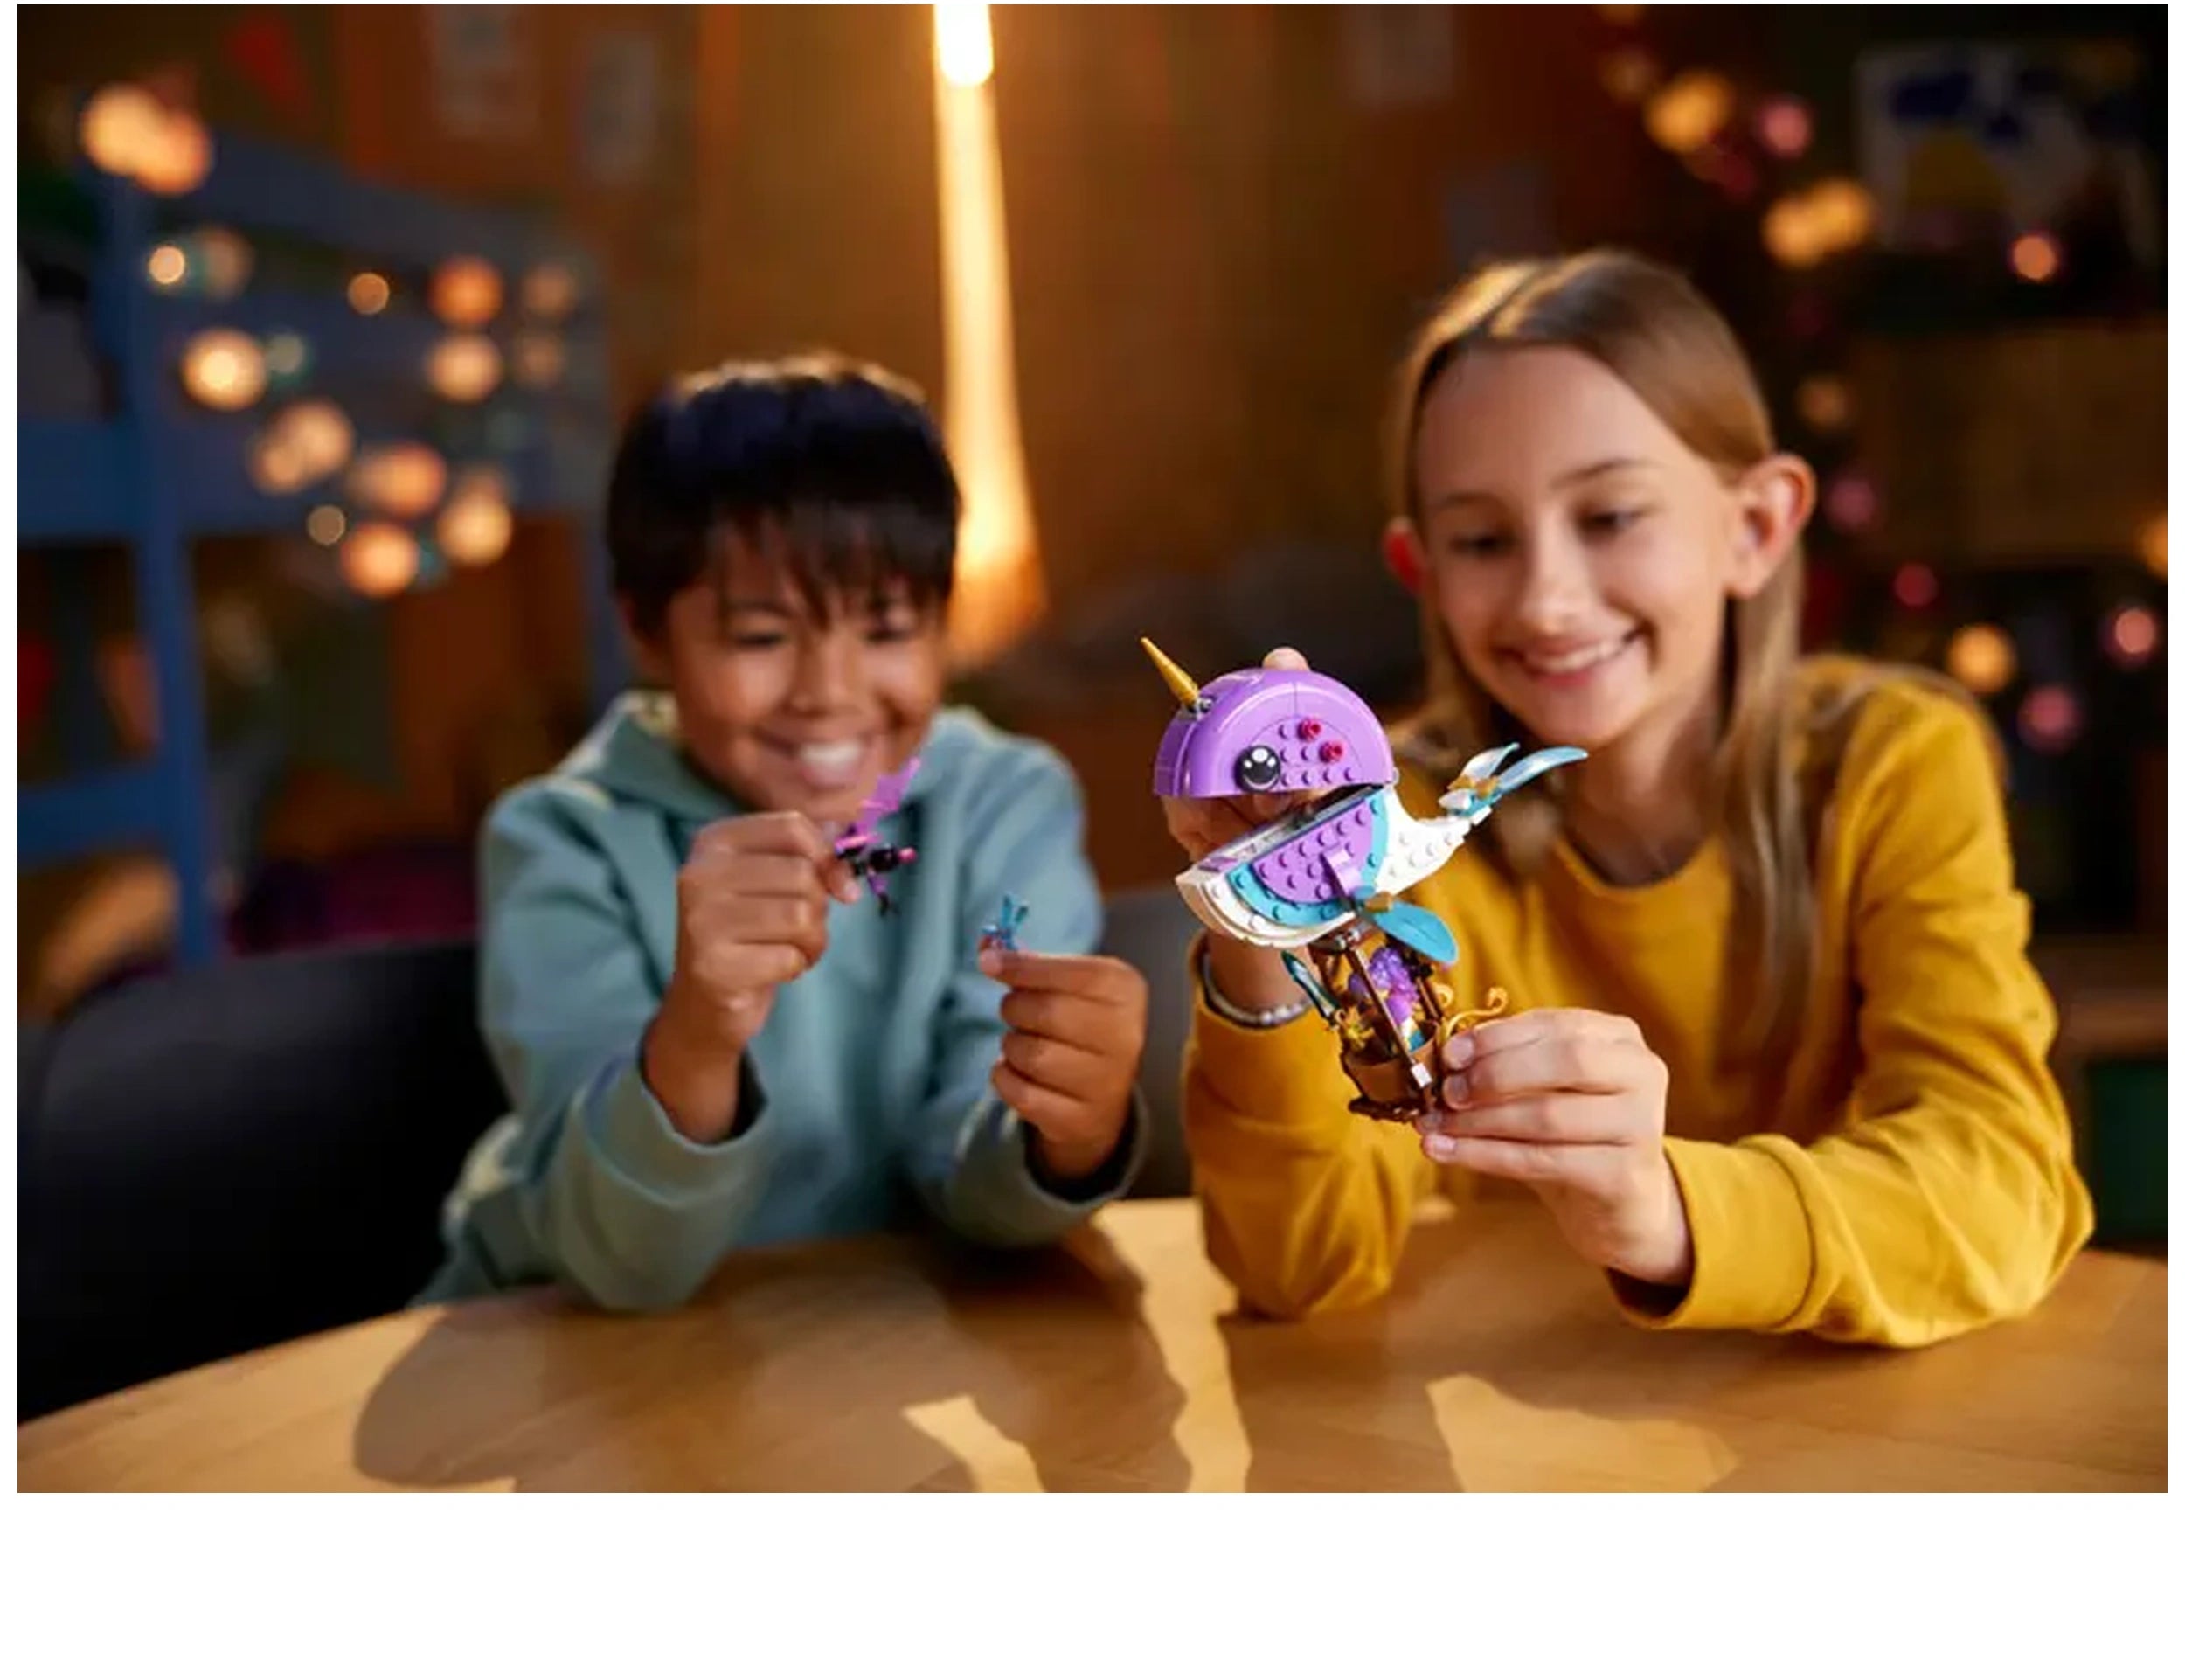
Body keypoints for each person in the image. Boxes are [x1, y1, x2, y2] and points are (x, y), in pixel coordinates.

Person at [1168, 251, 2091, 1346]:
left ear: (1755, 526)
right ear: (1421, 569)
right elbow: (1298, 1267)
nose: (1548, 598)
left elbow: (1999, 1181)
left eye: (1608, 517)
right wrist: (1262, 928)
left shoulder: (1890, 765)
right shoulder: (1397, 827)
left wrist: (1666, 1209)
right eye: (1481, 539)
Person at [426, 354, 1148, 1310]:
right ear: (644, 630)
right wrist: (695, 1033)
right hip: (574, 1367)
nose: (830, 695)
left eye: (886, 629)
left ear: (942, 621)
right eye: (761, 638)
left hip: (880, 1353)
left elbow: (986, 1192)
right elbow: (616, 1263)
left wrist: (1072, 1131)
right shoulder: (563, 839)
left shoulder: (1001, 802)